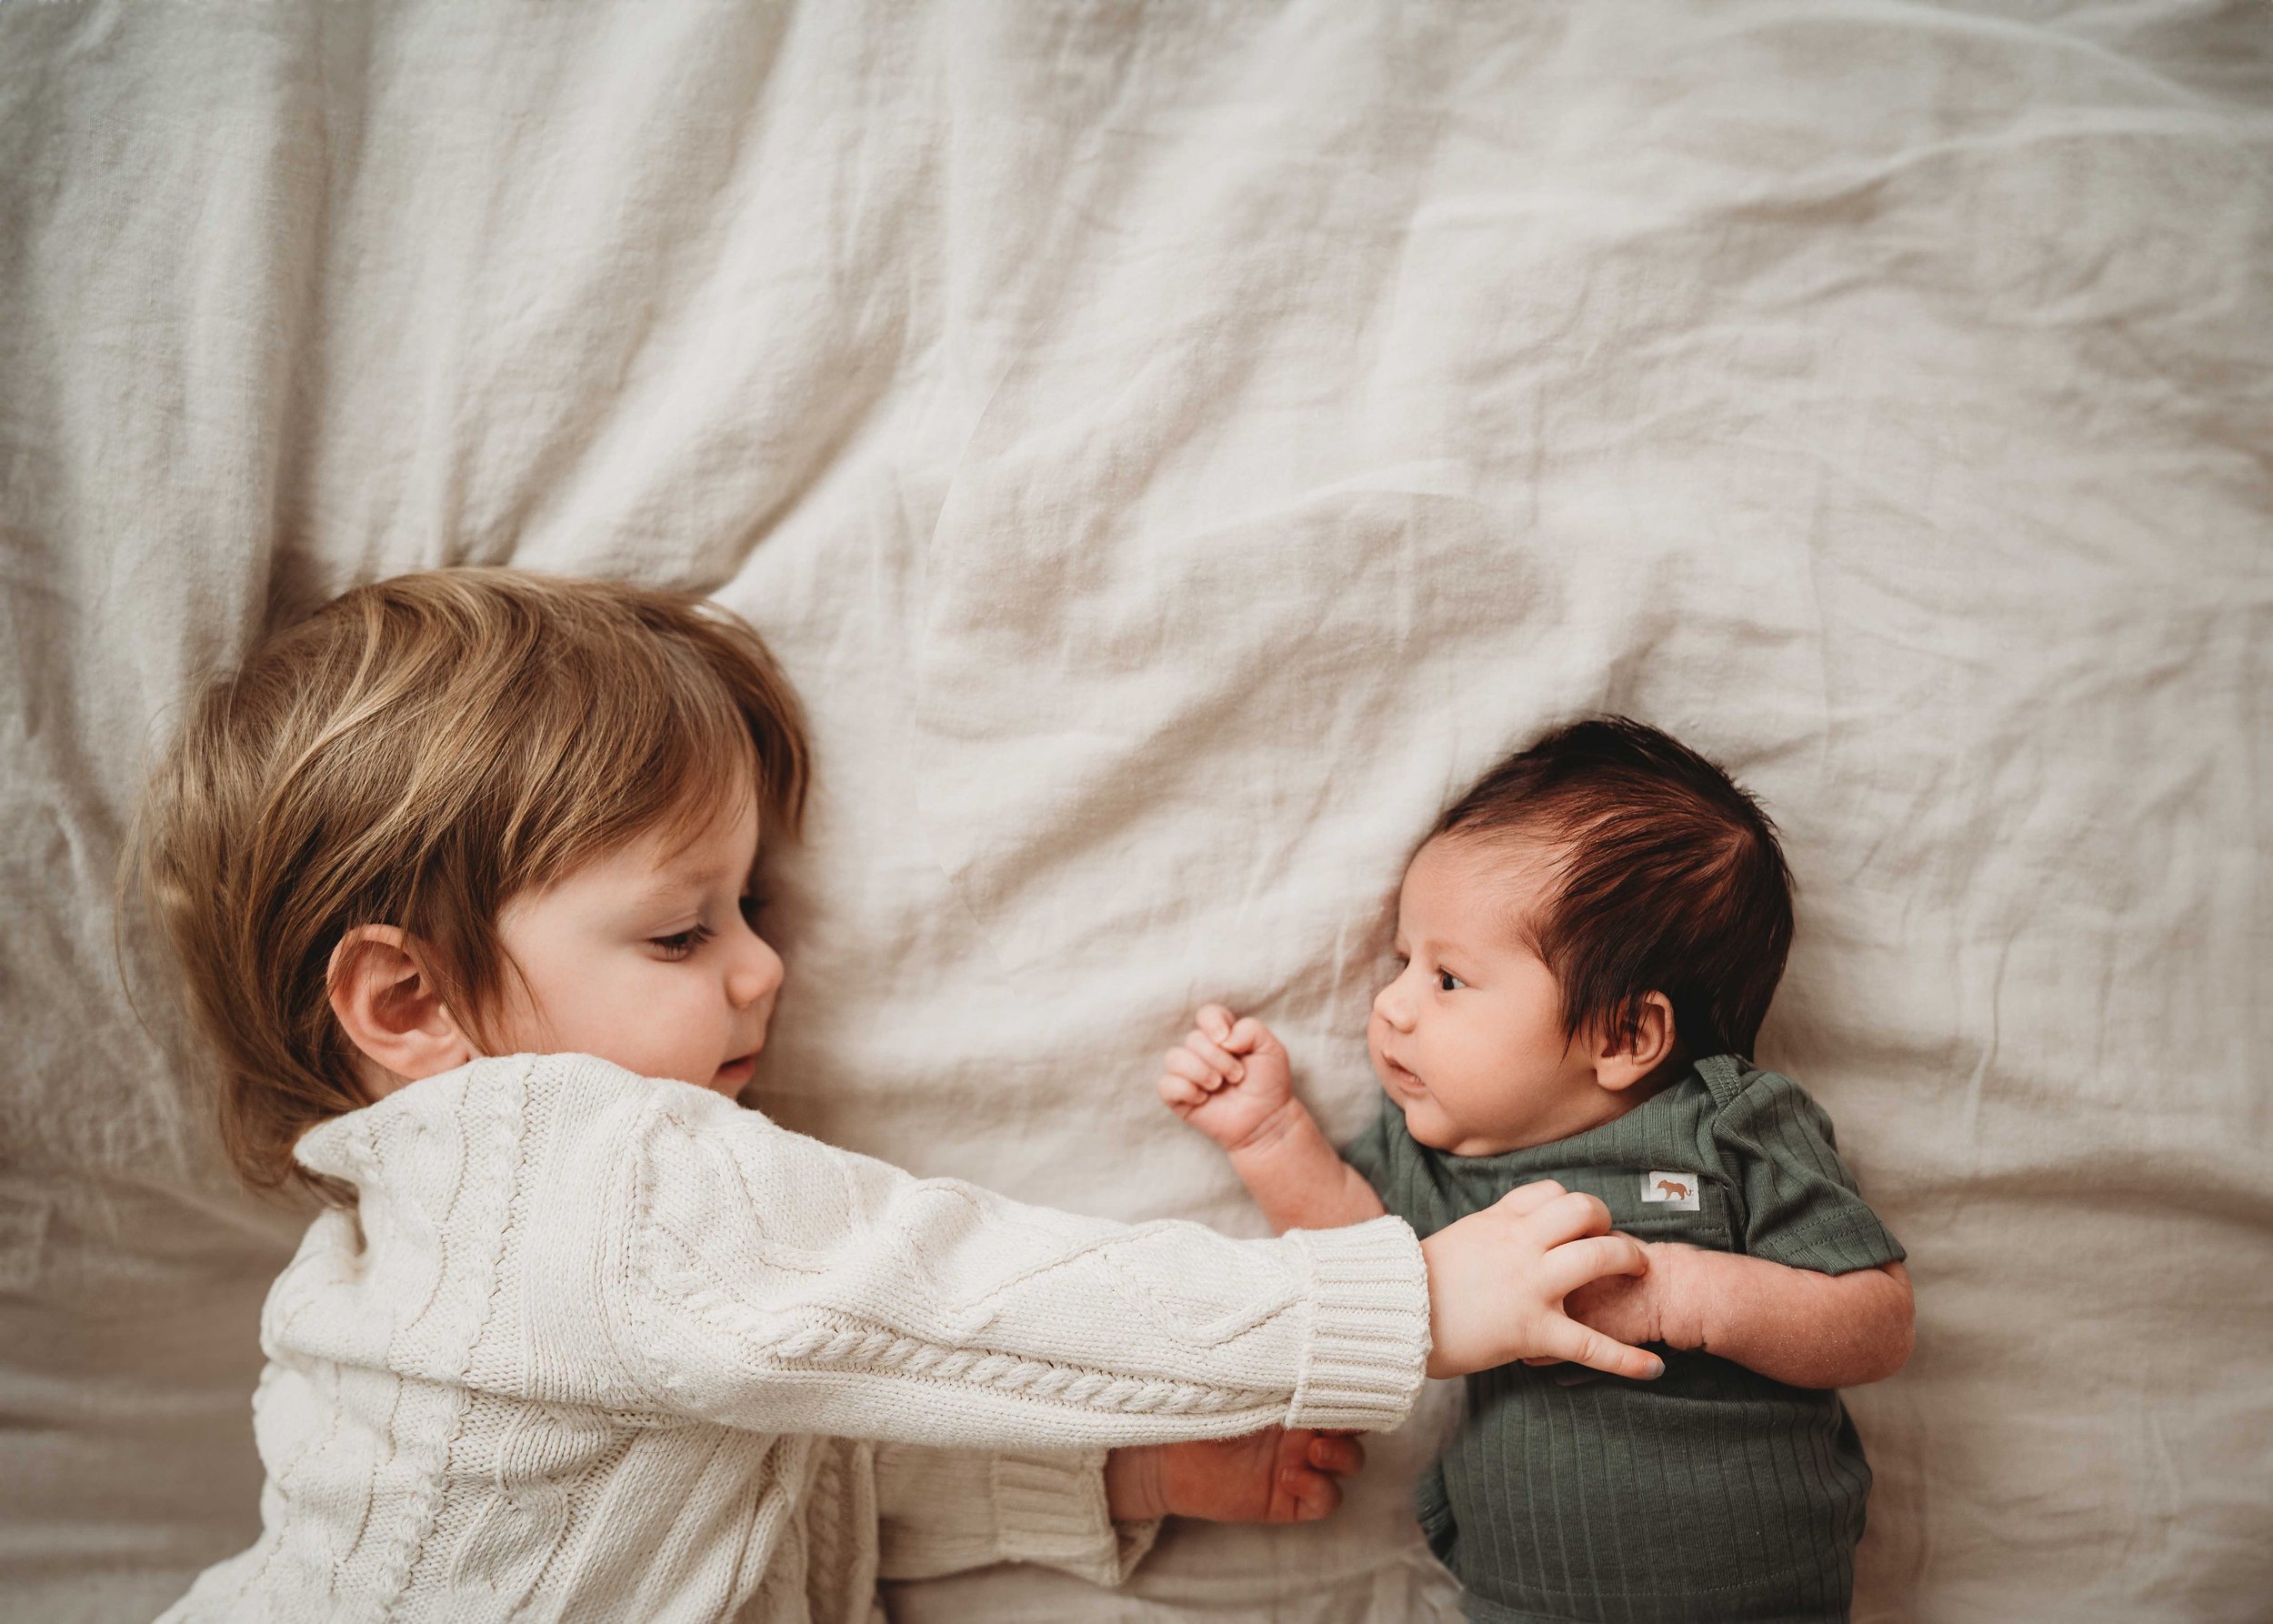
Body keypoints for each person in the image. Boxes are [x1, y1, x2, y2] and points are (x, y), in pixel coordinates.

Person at [134, 570, 1667, 1624]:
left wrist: (1109, 1473)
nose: (759, 975)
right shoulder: (571, 1164)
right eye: (681, 930)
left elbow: (767, 1487)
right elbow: (950, 1292)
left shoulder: (438, 1260)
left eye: (754, 914)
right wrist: (1394, 1302)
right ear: (411, 1003)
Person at [1157, 718, 1915, 1624]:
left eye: (1447, 980)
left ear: (1625, 1035)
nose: (1391, 1006)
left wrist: (1690, 1296)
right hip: (1525, 1597)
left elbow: (1877, 1321)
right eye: (1403, 963)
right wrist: (1271, 1133)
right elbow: (1361, 1266)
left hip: (1767, 1593)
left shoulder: (1732, 1126)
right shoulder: (1445, 1160)